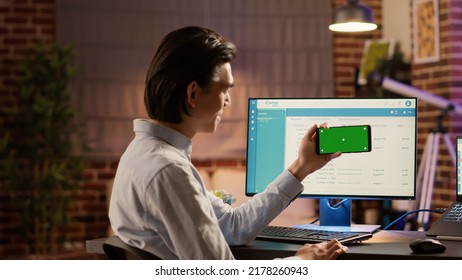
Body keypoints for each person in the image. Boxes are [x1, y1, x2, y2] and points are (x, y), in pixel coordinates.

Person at [108, 26, 346, 260]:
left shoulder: (142, 152)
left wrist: (302, 167)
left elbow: (234, 226)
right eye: (224, 90)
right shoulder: (169, 170)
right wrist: (301, 263)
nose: (228, 101)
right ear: (193, 94)